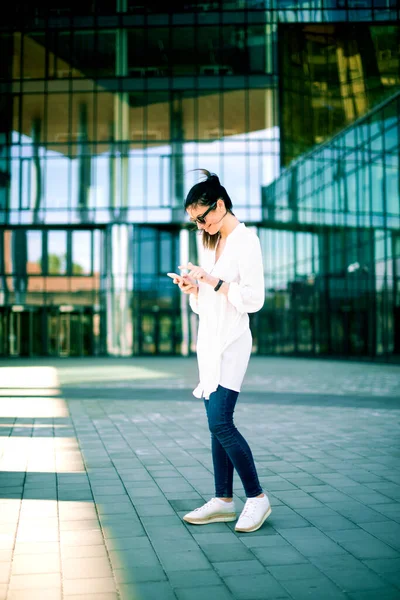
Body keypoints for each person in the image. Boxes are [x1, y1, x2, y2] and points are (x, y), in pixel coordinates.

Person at [171, 169, 271, 533]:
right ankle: (223, 500)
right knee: (215, 426)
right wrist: (194, 290)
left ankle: (257, 499)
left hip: (232, 342)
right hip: (209, 342)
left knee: (220, 422)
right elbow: (208, 305)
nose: (200, 225)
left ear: (221, 204)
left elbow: (254, 299)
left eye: (203, 217)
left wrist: (213, 281)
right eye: (195, 221)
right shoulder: (209, 243)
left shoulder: (247, 241)